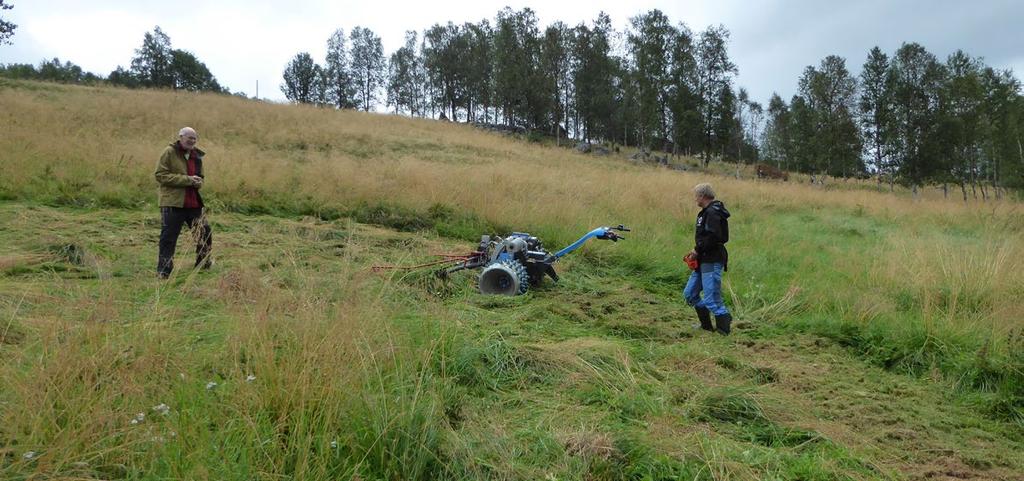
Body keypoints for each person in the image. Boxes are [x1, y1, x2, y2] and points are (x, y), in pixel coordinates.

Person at [155, 126, 212, 278]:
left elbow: (200, 177)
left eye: (194, 138)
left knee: (204, 233)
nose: (192, 141)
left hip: (193, 203)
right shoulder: (169, 152)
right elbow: (160, 175)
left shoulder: (197, 156)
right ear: (180, 137)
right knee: (168, 238)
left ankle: (203, 265)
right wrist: (187, 180)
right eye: (189, 137)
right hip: (173, 203)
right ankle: (163, 272)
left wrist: (198, 182)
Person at [683, 183, 732, 334]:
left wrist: (697, 250)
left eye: (696, 196)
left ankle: (724, 329)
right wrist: (696, 251)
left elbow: (714, 236)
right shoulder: (705, 212)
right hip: (702, 259)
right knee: (690, 294)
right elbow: (705, 237)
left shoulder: (712, 213)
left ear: (702, 196)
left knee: (711, 298)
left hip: (712, 258)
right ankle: (706, 326)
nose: (695, 199)